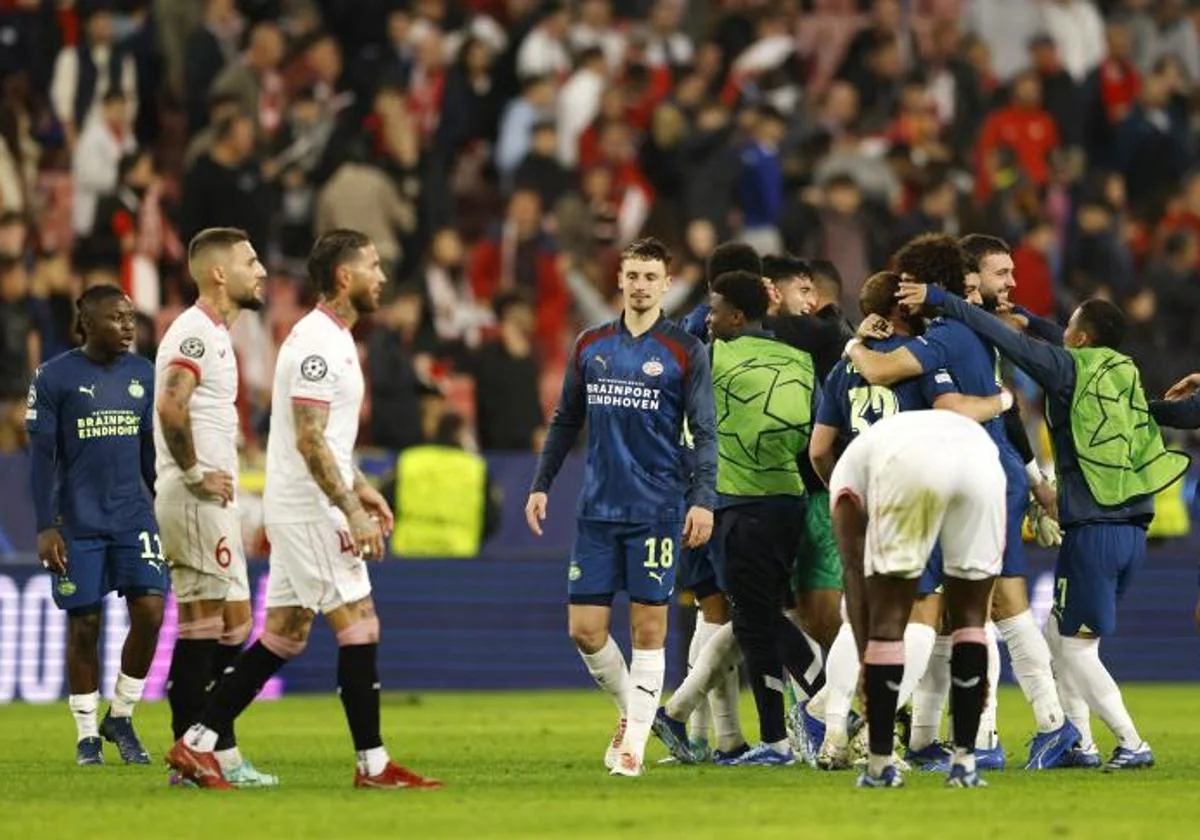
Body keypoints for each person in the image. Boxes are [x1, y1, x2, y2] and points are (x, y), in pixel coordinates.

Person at [166, 229, 443, 791]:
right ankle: (373, 765)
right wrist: (350, 509)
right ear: (345, 277)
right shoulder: (316, 342)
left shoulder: (336, 338)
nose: (382, 277)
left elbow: (327, 442)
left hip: (309, 504)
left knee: (285, 636)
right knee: (360, 623)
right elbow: (309, 440)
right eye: (373, 266)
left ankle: (196, 743)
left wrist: (361, 486)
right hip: (310, 510)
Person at [897, 282, 1188, 771]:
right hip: (1130, 525)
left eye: (1068, 326)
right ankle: (1081, 747)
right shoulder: (1123, 372)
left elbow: (1015, 346)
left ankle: (1131, 743)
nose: (1061, 333)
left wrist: (949, 302)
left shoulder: (1068, 368)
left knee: (1074, 650)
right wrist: (1030, 316)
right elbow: (1049, 337)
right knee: (1059, 639)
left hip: (1094, 527)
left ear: (1078, 339)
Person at [843, 234, 1079, 770]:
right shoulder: (969, 329)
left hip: (978, 478)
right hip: (984, 476)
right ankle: (944, 737)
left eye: (911, 286)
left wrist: (853, 345)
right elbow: (1003, 402)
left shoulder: (949, 335)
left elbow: (924, 393)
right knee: (972, 613)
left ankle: (1009, 732)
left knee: (990, 609)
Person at [525, 236, 717, 778]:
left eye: (650, 277)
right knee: (584, 629)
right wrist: (541, 483)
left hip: (657, 508)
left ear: (666, 284)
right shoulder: (591, 344)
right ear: (620, 280)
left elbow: (705, 433)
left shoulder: (685, 351)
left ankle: (631, 747)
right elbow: (565, 419)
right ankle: (634, 714)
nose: (639, 285)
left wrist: (702, 500)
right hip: (597, 510)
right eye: (632, 275)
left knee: (649, 632)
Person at [803, 271, 1009, 770]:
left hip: (863, 499)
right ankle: (874, 724)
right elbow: (953, 410)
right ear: (901, 308)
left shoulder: (843, 367)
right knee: (920, 616)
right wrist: (1003, 401)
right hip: (913, 494)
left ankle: (831, 734)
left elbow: (819, 449)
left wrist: (845, 490)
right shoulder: (918, 360)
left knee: (861, 619)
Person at [658, 269, 820, 767]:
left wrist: (691, 323)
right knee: (758, 616)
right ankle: (781, 733)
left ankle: (825, 703)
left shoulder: (712, 356)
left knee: (756, 618)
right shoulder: (800, 358)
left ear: (735, 315)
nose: (709, 317)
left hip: (738, 502)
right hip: (790, 501)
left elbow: (664, 354)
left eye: (714, 308)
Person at [155, 227, 276, 787]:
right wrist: (195, 471)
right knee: (204, 625)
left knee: (235, 620)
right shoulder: (196, 334)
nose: (263, 272)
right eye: (251, 262)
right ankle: (193, 757)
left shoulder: (219, 334)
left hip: (211, 499)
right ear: (219, 273)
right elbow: (170, 406)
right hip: (194, 497)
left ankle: (217, 751)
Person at [26, 284, 165, 766]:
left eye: (130, 318)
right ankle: (87, 734)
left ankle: (121, 716)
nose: (128, 327)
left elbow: (151, 455)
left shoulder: (143, 374)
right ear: (85, 324)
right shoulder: (53, 377)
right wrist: (46, 525)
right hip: (78, 523)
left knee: (150, 611)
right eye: (116, 319)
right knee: (85, 627)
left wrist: (165, 506)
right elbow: (41, 460)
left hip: (133, 517)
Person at [831, 409, 1006, 789]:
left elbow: (854, 577)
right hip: (981, 458)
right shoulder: (876, 445)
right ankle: (965, 765)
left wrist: (866, 658)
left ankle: (879, 767)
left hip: (908, 462)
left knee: (890, 620)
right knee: (972, 621)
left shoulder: (845, 475)